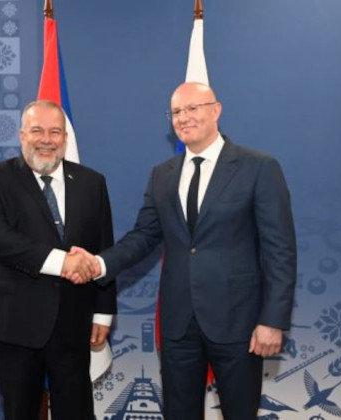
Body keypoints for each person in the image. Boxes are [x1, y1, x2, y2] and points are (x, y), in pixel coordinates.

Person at [68, 82, 297, 419]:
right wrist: (99, 263)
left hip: (239, 323)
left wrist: (273, 320)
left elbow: (280, 250)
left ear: (216, 110)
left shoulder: (258, 167)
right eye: (176, 112)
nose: (184, 117)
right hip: (178, 324)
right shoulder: (162, 175)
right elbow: (143, 236)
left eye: (193, 108)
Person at [0, 100, 117, 420]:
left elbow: (103, 246)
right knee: (21, 411)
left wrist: (104, 312)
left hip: (74, 321)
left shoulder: (92, 182)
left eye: (55, 132)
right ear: (23, 135)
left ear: (65, 138)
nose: (46, 139)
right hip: (15, 322)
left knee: (76, 412)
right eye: (37, 130)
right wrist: (61, 261)